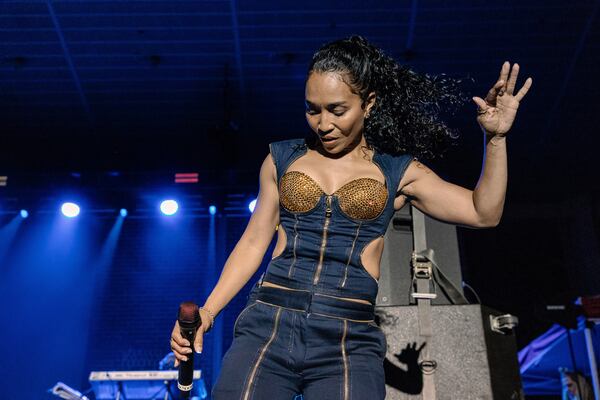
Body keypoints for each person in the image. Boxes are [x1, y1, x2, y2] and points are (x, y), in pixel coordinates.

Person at [170, 35, 532, 399]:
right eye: (313, 109)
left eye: (337, 110)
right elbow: (253, 241)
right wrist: (210, 310)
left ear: (368, 103)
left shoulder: (398, 172)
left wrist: (496, 140)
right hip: (268, 323)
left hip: (348, 339)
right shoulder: (281, 159)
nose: (323, 123)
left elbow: (483, 213)